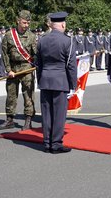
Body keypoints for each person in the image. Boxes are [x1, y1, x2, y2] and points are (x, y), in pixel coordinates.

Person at [36, 11, 77, 153]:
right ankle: (56, 143)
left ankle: (47, 143)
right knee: (59, 114)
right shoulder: (68, 40)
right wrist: (73, 85)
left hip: (45, 80)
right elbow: (71, 65)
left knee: (46, 113)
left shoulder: (42, 40)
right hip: (60, 80)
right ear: (63, 24)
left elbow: (38, 64)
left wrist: (39, 80)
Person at [0, 10, 37, 130]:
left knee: (29, 95)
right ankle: (9, 120)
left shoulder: (32, 36)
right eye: (24, 22)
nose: (26, 25)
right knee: (11, 95)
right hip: (13, 69)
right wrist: (8, 70)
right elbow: (5, 54)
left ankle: (28, 120)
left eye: (28, 23)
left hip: (27, 68)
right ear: (18, 20)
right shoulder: (9, 35)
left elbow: (35, 54)